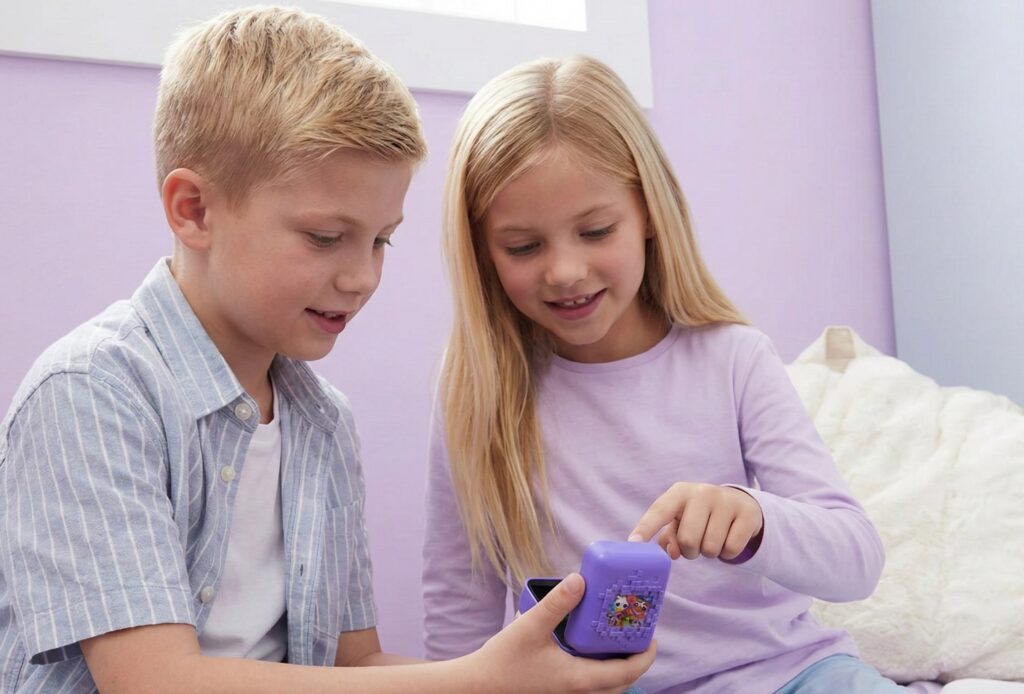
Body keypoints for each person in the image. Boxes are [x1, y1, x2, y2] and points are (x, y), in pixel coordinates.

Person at [0, 10, 653, 692]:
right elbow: (154, 682)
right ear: (193, 209)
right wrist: (478, 682)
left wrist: (527, 677)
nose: (361, 278)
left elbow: (352, 666)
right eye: (324, 238)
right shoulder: (90, 393)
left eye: (381, 240)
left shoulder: (321, 422)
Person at [422, 54, 902, 693]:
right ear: (483, 252)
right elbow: (460, 613)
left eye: (596, 231)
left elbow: (856, 559)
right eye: (523, 247)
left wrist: (753, 518)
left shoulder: (733, 360)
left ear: (649, 212)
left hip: (788, 675)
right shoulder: (479, 394)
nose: (564, 271)